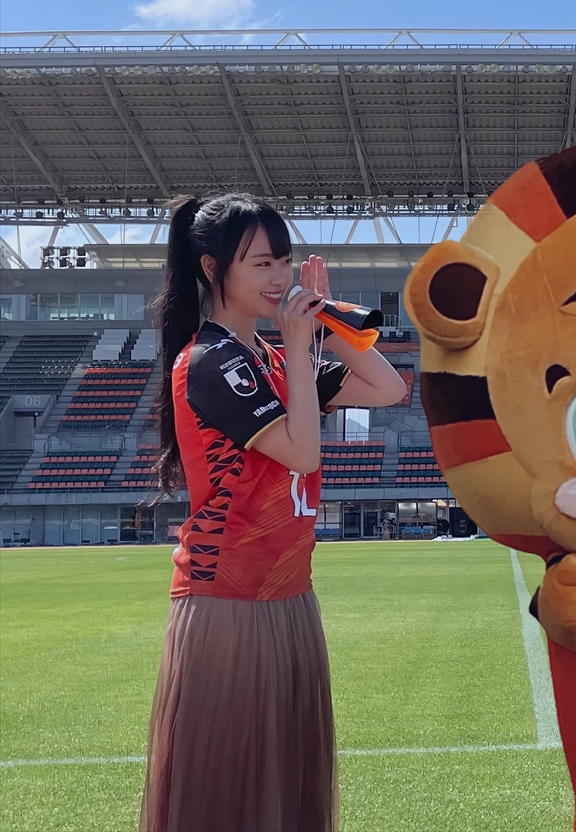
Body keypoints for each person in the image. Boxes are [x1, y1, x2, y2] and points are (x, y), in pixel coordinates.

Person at [140, 194, 406, 832]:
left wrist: (328, 327)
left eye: (284, 262)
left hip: (289, 594)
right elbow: (303, 452)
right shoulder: (210, 361)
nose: (279, 277)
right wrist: (298, 343)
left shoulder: (275, 357)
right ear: (212, 269)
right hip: (227, 598)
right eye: (262, 263)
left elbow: (389, 387)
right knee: (227, 790)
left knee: (284, 784)